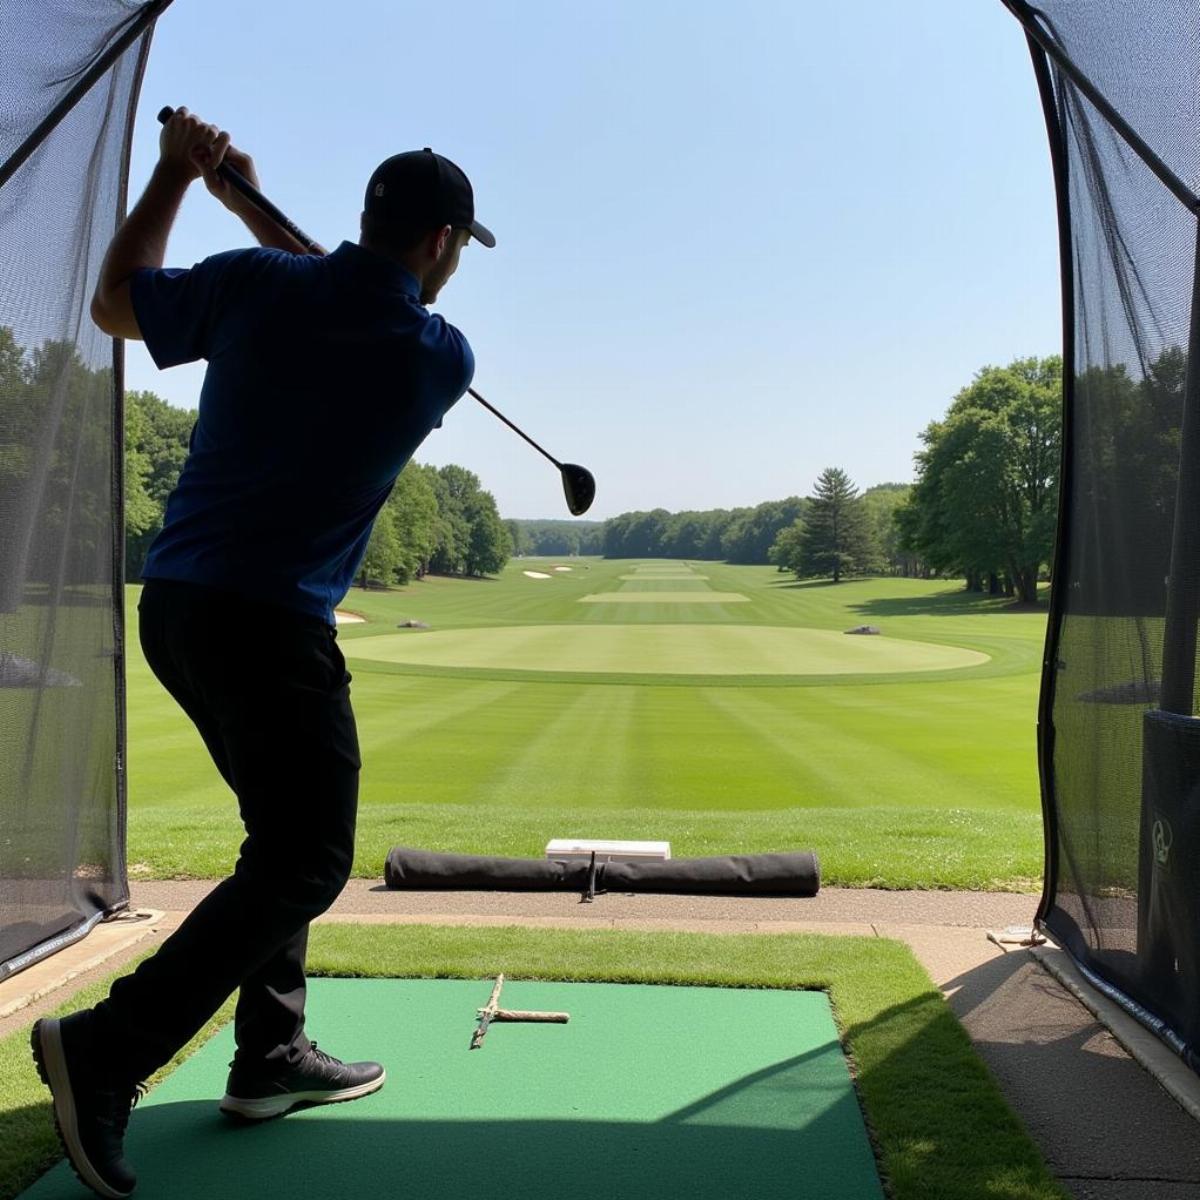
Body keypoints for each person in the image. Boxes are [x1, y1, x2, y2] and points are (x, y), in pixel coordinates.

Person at [30, 107, 494, 1199]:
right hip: (272, 626)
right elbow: (353, 296)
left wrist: (179, 181)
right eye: (460, 250)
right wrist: (243, 197)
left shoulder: (251, 286)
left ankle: (271, 1053)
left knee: (274, 839)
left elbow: (116, 303)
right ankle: (106, 1048)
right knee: (305, 858)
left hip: (180, 609)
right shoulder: (441, 356)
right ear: (440, 245)